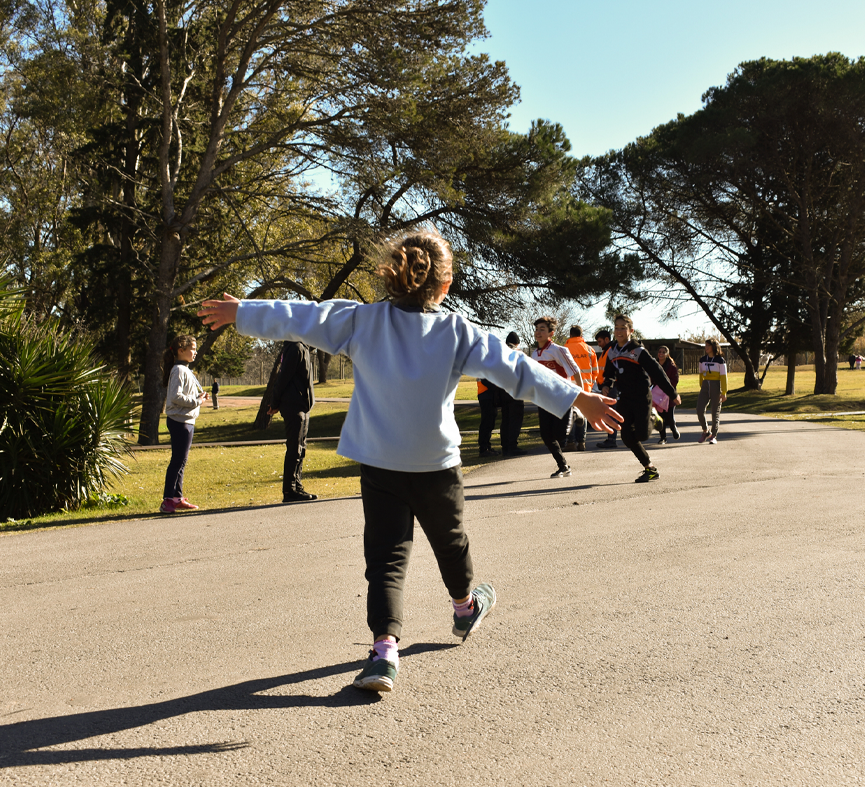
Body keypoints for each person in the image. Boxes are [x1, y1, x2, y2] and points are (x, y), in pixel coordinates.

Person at [198, 227, 621, 694]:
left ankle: (383, 654)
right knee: (451, 541)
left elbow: (301, 318)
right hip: (436, 465)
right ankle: (464, 608)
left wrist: (243, 312)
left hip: (380, 463)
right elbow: (517, 369)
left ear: (392, 277)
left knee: (386, 559)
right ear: (444, 286)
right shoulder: (457, 330)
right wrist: (579, 397)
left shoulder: (360, 321)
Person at [601, 316, 679, 482]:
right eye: (616, 327)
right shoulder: (612, 351)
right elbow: (609, 373)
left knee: (642, 436)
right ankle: (650, 469)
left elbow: (657, 372)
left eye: (623, 328)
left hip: (642, 397)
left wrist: (672, 394)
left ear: (631, 331)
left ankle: (654, 417)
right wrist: (607, 384)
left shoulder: (638, 351)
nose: (619, 331)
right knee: (627, 437)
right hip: (625, 398)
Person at [161, 336, 210, 513]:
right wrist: (196, 400)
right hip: (179, 421)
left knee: (182, 461)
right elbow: (175, 396)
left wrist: (199, 398)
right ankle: (167, 500)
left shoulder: (185, 370)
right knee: (177, 461)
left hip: (187, 420)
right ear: (181, 350)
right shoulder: (179, 370)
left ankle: (177, 497)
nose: (195, 352)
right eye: (192, 348)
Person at [530, 316, 584, 478]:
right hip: (544, 398)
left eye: (542, 329)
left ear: (550, 333)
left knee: (560, 435)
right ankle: (563, 466)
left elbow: (575, 371)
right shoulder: (534, 354)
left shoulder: (558, 350)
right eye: (537, 329)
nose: (538, 332)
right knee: (546, 436)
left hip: (561, 396)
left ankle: (574, 413)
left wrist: (580, 393)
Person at [269, 341, 317, 503]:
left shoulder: (303, 347)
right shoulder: (295, 347)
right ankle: (289, 490)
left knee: (301, 447)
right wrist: (274, 402)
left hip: (303, 405)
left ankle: (297, 486)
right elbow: (283, 376)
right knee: (295, 447)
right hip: (293, 404)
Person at [563, 325, 599, 452]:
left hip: (569, 387)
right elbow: (595, 371)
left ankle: (571, 442)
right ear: (581, 335)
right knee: (582, 413)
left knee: (571, 414)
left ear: (571, 335)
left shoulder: (565, 349)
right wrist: (590, 383)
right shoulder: (589, 350)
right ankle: (581, 442)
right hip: (585, 387)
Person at [499, 332, 527, 456]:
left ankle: (505, 446)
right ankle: (512, 446)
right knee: (515, 419)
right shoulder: (518, 353)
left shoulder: (499, 353)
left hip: (501, 390)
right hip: (515, 390)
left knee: (505, 419)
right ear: (517, 343)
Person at [697, 339, 728, 444]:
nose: (706, 347)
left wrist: (724, 392)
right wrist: (702, 386)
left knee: (715, 413)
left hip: (716, 385)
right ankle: (706, 431)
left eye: (708, 346)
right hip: (705, 385)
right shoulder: (702, 360)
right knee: (699, 410)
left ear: (714, 347)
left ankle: (713, 435)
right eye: (705, 345)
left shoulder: (720, 360)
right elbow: (701, 375)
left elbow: (724, 377)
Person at [594, 329, 619, 448]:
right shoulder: (605, 351)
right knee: (611, 413)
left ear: (607, 339)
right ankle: (611, 438)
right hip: (606, 386)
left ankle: (611, 439)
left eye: (600, 341)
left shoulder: (611, 351)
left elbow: (611, 371)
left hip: (610, 387)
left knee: (612, 413)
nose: (599, 344)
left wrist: (607, 385)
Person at [654, 345, 681, 443]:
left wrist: (667, 388)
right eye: (659, 351)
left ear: (667, 354)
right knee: (660, 417)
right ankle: (663, 438)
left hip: (669, 395)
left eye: (663, 352)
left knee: (669, 416)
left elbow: (675, 379)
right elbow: (651, 377)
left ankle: (674, 429)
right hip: (657, 395)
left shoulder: (671, 366)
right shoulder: (654, 365)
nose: (661, 354)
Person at [476, 376, 504, 457]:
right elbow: (485, 380)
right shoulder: (483, 365)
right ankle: (483, 448)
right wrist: (496, 387)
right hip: (485, 394)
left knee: (490, 422)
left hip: (486, 394)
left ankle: (487, 446)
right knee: (487, 422)